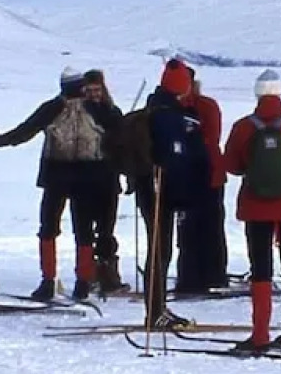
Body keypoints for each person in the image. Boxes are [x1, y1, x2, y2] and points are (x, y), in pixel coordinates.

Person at [0, 67, 120, 301]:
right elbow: (119, 135)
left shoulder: (53, 107)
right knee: (84, 231)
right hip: (89, 176)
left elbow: (24, 131)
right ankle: (83, 283)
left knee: (48, 228)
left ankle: (48, 282)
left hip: (56, 174)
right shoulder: (100, 109)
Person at [223, 70, 281, 350]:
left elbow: (232, 164)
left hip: (256, 206)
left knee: (261, 268)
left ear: (257, 94)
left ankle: (260, 334)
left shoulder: (243, 126)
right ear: (280, 93)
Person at [132, 62, 212, 327]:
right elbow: (173, 158)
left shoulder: (157, 108)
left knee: (159, 249)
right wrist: (183, 195)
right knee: (159, 251)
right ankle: (155, 313)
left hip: (152, 187)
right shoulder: (168, 116)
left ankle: (157, 309)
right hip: (160, 189)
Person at [176, 65, 230, 295]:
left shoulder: (205, 106)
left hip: (207, 173)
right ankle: (192, 275)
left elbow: (211, 138)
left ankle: (213, 274)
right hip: (186, 174)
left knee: (210, 224)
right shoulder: (174, 107)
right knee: (188, 227)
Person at [81, 69, 128, 295]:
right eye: (89, 91)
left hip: (108, 178)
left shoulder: (113, 112)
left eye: (97, 90)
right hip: (85, 178)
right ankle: (88, 274)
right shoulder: (79, 114)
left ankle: (108, 274)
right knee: (85, 230)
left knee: (107, 229)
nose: (94, 95)